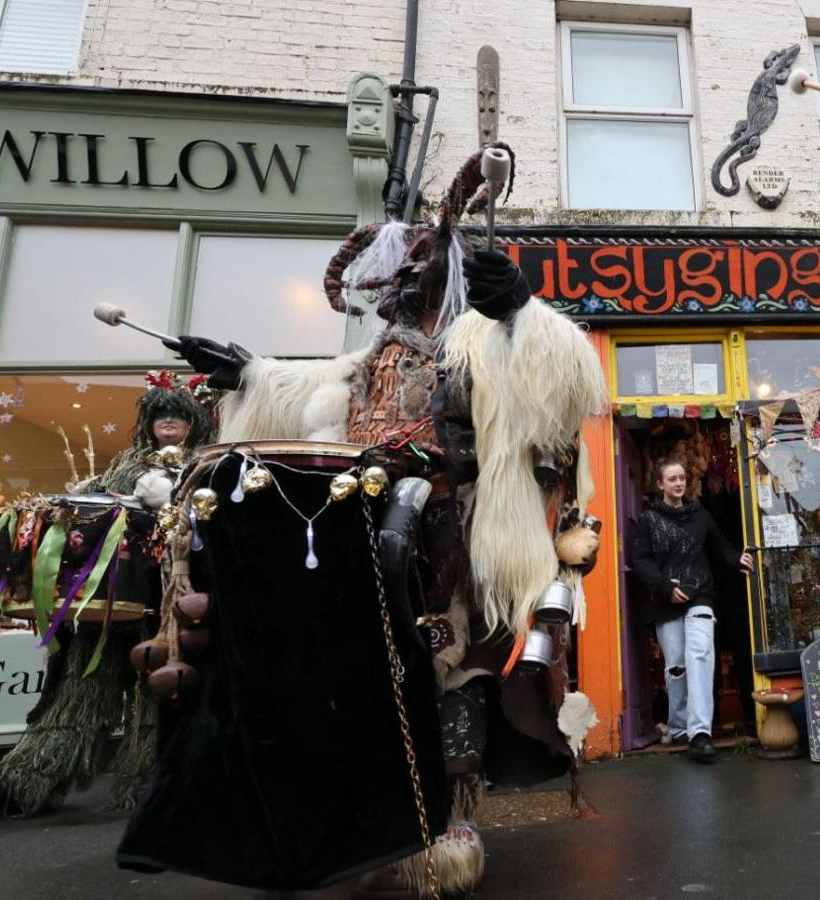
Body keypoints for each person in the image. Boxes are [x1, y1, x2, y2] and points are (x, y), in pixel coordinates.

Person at [118, 145, 608, 899]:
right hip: (358, 545)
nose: (401, 278)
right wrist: (244, 373)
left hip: (444, 548)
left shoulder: (473, 354)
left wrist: (518, 311)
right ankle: (357, 823)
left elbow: (560, 380)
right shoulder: (368, 361)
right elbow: (309, 385)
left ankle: (439, 825)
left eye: (414, 265)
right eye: (395, 267)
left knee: (447, 680)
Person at [0, 371, 213, 817]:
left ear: (196, 420)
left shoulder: (208, 464)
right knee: (81, 686)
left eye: (179, 415)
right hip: (109, 597)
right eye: (162, 415)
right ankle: (23, 779)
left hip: (171, 601)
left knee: (159, 693)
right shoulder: (125, 462)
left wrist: (174, 500)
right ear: (149, 422)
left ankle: (153, 790)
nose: (170, 423)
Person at [626, 456, 753, 763]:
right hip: (666, 600)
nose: (679, 483)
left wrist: (737, 560)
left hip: (701, 596)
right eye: (672, 479)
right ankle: (680, 726)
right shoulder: (648, 520)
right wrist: (665, 587)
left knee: (700, 655)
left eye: (682, 478)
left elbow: (720, 545)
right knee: (676, 667)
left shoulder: (700, 515)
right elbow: (640, 560)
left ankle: (700, 733)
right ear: (660, 485)